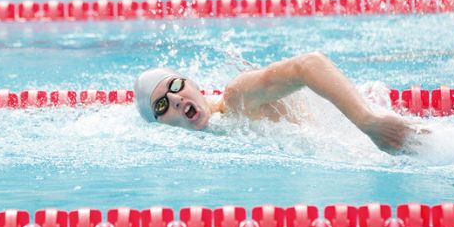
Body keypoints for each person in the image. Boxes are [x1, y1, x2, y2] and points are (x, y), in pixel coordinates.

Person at [135, 52, 419, 154]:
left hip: (379, 140)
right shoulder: (219, 133)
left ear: (193, 84)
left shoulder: (238, 99)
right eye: (161, 104)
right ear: (160, 124)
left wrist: (368, 122)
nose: (175, 99)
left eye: (175, 86)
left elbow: (310, 64)